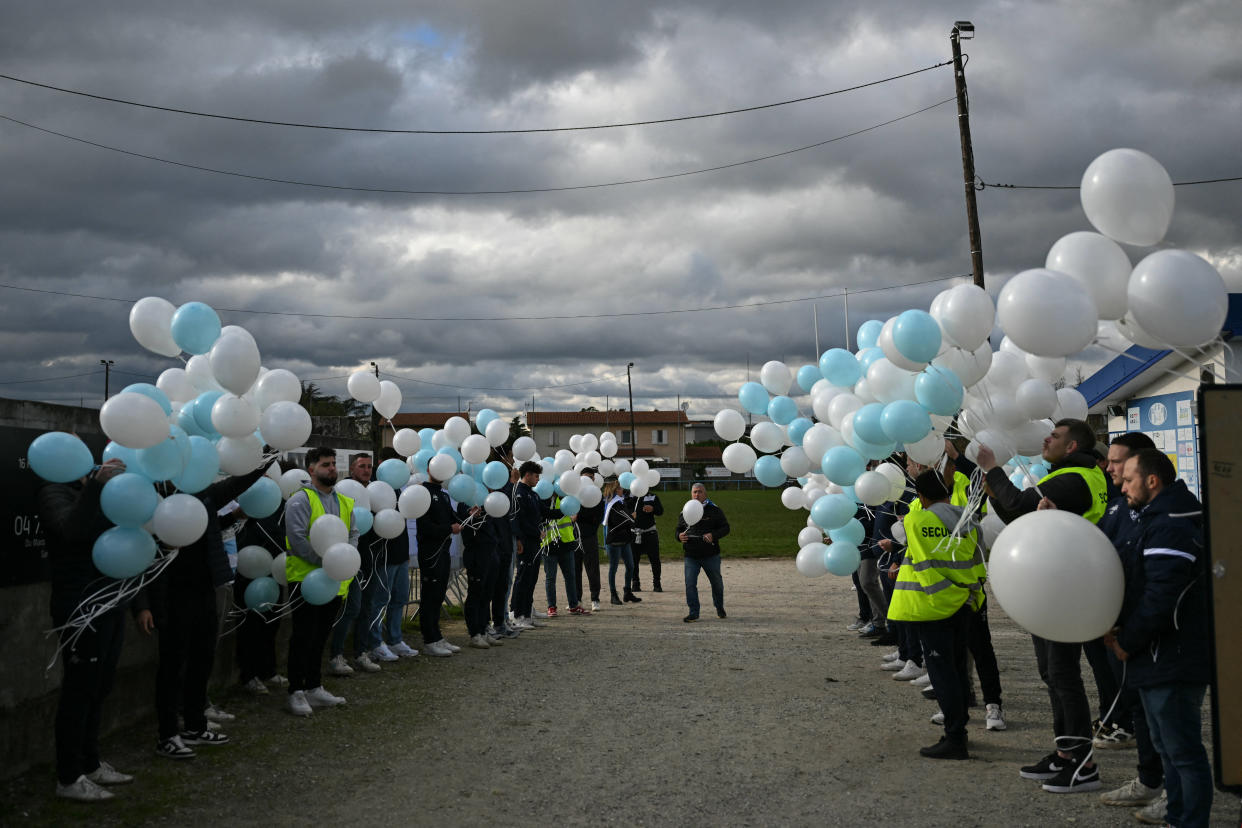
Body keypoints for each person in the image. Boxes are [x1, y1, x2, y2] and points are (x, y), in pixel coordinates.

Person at [977, 418, 1108, 793]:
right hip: (1061, 585)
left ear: (1071, 447)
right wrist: (993, 491)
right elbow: (1019, 513)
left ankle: (1082, 762)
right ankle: (1064, 753)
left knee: (1063, 675)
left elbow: (1019, 503)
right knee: (1053, 672)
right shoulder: (1080, 477)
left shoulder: (1072, 478)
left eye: (1054, 436)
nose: (1045, 439)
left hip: (1066, 587)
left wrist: (992, 469)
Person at [1107, 449, 1213, 828]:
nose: (1122, 487)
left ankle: (1190, 820)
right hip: (1156, 655)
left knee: (1182, 751)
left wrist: (1128, 640)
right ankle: (1178, 816)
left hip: (1172, 655)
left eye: (1129, 480)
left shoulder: (1171, 522)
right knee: (1168, 749)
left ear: (1153, 481)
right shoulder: (1158, 517)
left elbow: (1161, 597)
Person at [144, 463, 268, 755]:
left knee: (202, 659)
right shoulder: (154, 500)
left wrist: (268, 454)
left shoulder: (203, 495)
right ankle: (167, 735)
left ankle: (195, 726)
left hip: (203, 589)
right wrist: (145, 605)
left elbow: (235, 487)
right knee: (173, 666)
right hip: (172, 595)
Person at [38, 457, 135, 801]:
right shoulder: (55, 491)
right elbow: (71, 529)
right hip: (79, 606)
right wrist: (95, 487)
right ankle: (68, 776)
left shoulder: (98, 492)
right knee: (79, 691)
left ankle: (90, 762)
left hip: (110, 602)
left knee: (100, 686)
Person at [887, 469, 985, 760]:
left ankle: (956, 737)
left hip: (933, 604)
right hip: (964, 601)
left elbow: (909, 543)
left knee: (943, 675)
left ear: (921, 496)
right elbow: (978, 561)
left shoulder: (916, 519)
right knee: (957, 670)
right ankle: (960, 728)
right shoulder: (971, 520)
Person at [283, 448, 358, 716]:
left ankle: (314, 687)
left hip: (334, 582)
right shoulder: (299, 501)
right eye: (325, 465)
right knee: (303, 636)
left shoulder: (345, 502)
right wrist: (327, 561)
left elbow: (353, 533)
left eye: (333, 465)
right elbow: (298, 539)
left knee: (320, 636)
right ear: (311, 469)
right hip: (306, 581)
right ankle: (296, 691)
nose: (332, 470)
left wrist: (344, 559)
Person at [328, 453, 381, 676]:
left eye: (369, 466)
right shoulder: (344, 492)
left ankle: (361, 652)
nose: (366, 470)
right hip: (347, 557)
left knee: (366, 607)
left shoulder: (376, 493)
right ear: (352, 470)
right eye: (362, 466)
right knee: (351, 608)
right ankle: (336, 655)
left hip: (369, 557)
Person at [233, 503, 290, 696]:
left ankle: (268, 670)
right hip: (250, 569)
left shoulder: (279, 502)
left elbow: (280, 532)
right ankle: (249, 675)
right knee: (250, 624)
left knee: (272, 622)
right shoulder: (241, 502)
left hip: (275, 569)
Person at [415, 472, 463, 655]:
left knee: (439, 594)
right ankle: (429, 640)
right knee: (430, 595)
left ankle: (437, 636)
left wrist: (470, 515)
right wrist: (448, 529)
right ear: (430, 470)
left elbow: (453, 517)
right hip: (429, 552)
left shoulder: (443, 494)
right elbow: (424, 526)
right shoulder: (423, 492)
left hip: (443, 551)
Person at [675, 482, 729, 623]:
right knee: (690, 584)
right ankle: (693, 612)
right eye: (694, 492)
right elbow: (678, 530)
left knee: (716, 583)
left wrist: (713, 535)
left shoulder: (714, 510)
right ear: (691, 494)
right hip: (691, 556)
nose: (697, 494)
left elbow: (725, 528)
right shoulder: (685, 510)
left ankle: (719, 607)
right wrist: (679, 537)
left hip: (710, 555)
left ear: (705, 494)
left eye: (699, 492)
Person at [510, 461, 551, 628]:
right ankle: (516, 614)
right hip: (525, 542)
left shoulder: (533, 495)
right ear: (527, 475)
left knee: (532, 578)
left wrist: (567, 509)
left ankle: (526, 614)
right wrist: (520, 538)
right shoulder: (518, 493)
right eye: (536, 476)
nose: (538, 479)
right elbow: (519, 520)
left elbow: (545, 512)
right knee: (523, 578)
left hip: (535, 543)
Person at [458, 502, 502, 648]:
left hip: (491, 552)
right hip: (476, 554)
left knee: (487, 594)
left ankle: (483, 630)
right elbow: (462, 518)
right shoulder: (464, 502)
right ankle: (474, 633)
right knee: (475, 594)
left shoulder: (488, 500)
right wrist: (470, 513)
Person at [544, 493, 590, 616]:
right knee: (550, 578)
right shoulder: (544, 499)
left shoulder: (566, 499)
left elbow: (573, 515)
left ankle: (573, 605)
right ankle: (551, 607)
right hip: (549, 544)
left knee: (570, 577)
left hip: (567, 543)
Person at [602, 480, 639, 605]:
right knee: (613, 568)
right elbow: (621, 520)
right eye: (620, 488)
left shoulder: (621, 502)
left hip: (625, 540)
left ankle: (627, 592)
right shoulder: (613, 504)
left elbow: (627, 516)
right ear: (615, 490)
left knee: (630, 566)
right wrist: (631, 518)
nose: (622, 490)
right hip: (615, 542)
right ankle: (613, 594)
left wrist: (630, 517)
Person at [574, 469, 604, 612]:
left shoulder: (596, 495)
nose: (589, 480)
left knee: (592, 569)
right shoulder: (573, 493)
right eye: (586, 477)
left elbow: (597, 516)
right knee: (575, 569)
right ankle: (577, 599)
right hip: (573, 537)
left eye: (591, 477)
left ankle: (595, 598)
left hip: (589, 536)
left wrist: (580, 515)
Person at [627, 488, 664, 592]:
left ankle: (657, 583)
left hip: (650, 533)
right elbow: (624, 510)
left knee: (655, 559)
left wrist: (653, 509)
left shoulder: (652, 496)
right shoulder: (629, 496)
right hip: (634, 533)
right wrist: (631, 514)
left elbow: (660, 511)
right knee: (634, 560)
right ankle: (635, 583)